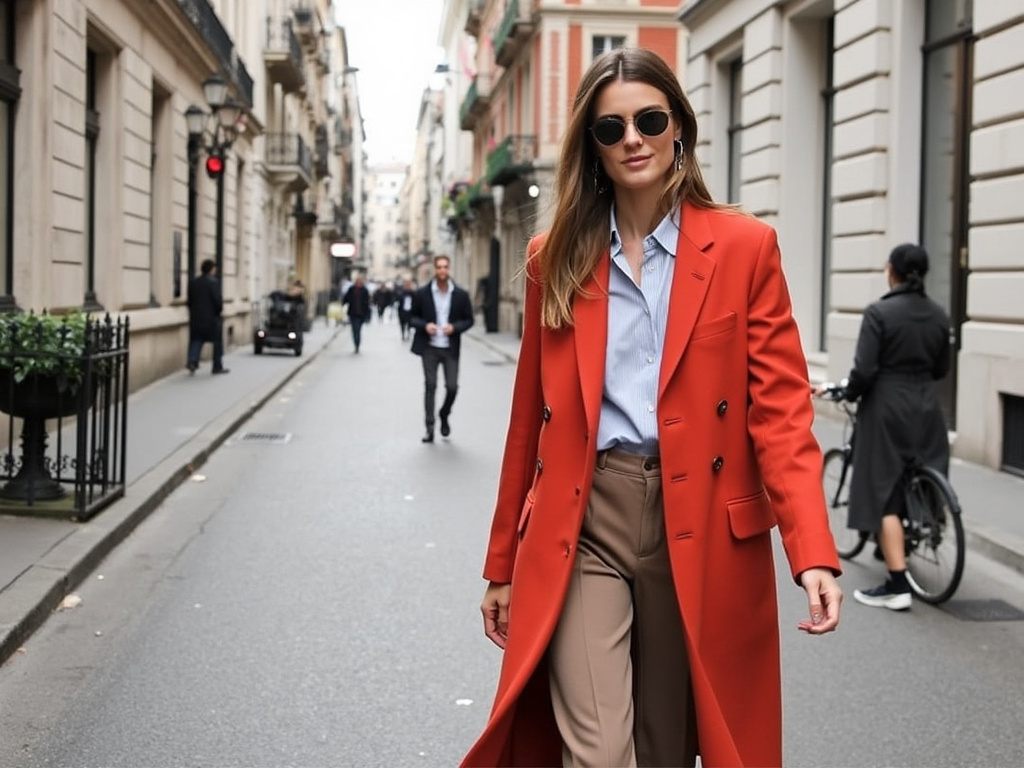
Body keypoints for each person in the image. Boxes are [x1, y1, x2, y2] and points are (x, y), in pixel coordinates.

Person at [461, 48, 842, 768]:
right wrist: (502, 564)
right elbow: (526, 427)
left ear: (678, 131)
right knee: (600, 753)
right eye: (610, 129)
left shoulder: (745, 247)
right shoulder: (557, 257)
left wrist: (812, 552)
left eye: (649, 119)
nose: (632, 138)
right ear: (593, 150)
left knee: (667, 747)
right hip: (584, 515)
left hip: (697, 519)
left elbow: (782, 413)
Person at [823, 244, 951, 611]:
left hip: (887, 405)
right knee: (922, 470)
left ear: (892, 271)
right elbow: (942, 369)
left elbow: (864, 370)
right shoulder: (939, 315)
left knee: (883, 490)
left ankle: (897, 583)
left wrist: (849, 391)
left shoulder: (880, 312)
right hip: (927, 403)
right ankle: (919, 529)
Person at [409, 255, 474, 443]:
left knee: (452, 387)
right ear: (434, 269)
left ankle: (444, 414)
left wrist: (454, 328)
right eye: (439, 267)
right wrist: (425, 325)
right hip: (429, 347)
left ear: (449, 268)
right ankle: (430, 427)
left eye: (445, 267)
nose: (442, 270)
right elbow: (412, 317)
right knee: (430, 386)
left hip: (450, 348)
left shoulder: (460, 295)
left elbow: (469, 320)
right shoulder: (423, 293)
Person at [186, 258, 229, 375]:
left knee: (197, 340)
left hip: (196, 318)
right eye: (215, 269)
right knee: (217, 343)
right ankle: (217, 366)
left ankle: (192, 361)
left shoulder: (193, 283)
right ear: (211, 269)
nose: (215, 271)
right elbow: (217, 302)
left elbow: (189, 301)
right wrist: (218, 311)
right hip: (211, 319)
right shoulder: (213, 283)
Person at [342, 274, 372, 353]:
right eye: (357, 281)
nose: (358, 283)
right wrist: (342, 305)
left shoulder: (365, 290)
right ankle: (356, 345)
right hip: (353, 313)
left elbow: (367, 303)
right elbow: (346, 299)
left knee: (358, 330)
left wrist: (368, 315)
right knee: (354, 329)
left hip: (361, 314)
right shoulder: (351, 289)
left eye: (360, 281)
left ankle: (357, 344)